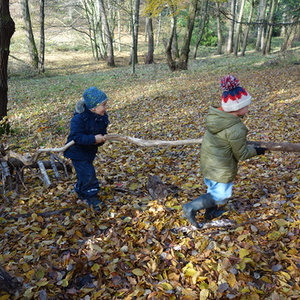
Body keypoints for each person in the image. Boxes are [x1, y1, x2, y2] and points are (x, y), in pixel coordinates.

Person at [182, 75, 267, 228]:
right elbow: (241, 154)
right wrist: (258, 151)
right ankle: (191, 207)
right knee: (221, 195)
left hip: (209, 163)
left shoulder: (216, 118)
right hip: (221, 166)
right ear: (237, 108)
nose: (249, 108)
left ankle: (210, 213)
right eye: (246, 105)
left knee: (212, 189)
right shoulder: (236, 128)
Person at [64, 87, 109, 210]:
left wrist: (99, 141)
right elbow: (77, 137)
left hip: (89, 152)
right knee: (88, 174)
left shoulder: (101, 117)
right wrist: (94, 139)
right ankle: (92, 197)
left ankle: (81, 192)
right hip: (77, 153)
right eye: (103, 105)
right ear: (93, 107)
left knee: (84, 174)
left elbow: (101, 133)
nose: (105, 108)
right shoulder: (79, 119)